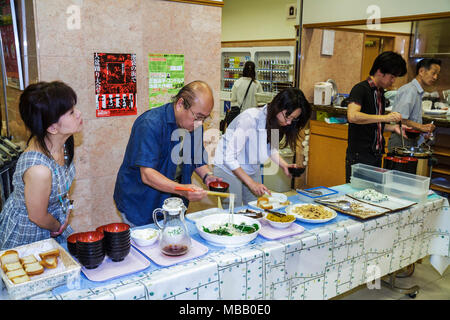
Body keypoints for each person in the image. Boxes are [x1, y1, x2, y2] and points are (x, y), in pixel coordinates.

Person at [114, 80, 221, 226]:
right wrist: (183, 190)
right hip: (140, 202)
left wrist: (208, 177)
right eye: (198, 116)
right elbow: (147, 175)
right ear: (180, 104)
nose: (200, 123)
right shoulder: (150, 124)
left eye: (204, 118)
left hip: (173, 202)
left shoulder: (195, 125)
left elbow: (196, 158)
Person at [0, 81, 83, 250]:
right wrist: (58, 227)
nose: (79, 114)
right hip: (30, 233)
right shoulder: (39, 170)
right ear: (52, 128)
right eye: (71, 112)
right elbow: (37, 216)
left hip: (54, 222)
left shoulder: (62, 143)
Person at [213, 87, 311, 207]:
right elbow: (229, 158)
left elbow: (272, 149)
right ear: (278, 106)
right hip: (227, 167)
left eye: (293, 119)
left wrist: (284, 165)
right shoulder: (250, 119)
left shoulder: (276, 122)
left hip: (250, 166)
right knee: (235, 211)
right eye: (287, 116)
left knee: (256, 207)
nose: (289, 122)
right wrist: (252, 183)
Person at [345, 51, 407, 182]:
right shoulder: (361, 89)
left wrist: (392, 128)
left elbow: (372, 123)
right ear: (380, 72)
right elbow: (353, 116)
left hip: (376, 155)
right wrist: (385, 118)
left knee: (373, 193)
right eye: (392, 76)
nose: (393, 80)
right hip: (360, 156)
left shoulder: (380, 93)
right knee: (356, 195)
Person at [387, 58, 441, 152]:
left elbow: (411, 120)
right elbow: (399, 119)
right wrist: (422, 127)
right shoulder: (410, 90)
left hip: (409, 140)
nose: (435, 77)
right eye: (433, 73)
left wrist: (423, 131)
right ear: (421, 71)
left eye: (437, 74)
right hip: (401, 141)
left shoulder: (417, 92)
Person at [222, 61, 263, 131]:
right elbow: (261, 101)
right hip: (253, 118)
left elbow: (233, 99)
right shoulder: (257, 84)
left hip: (240, 117)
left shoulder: (238, 82)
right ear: (254, 71)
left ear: (244, 70)